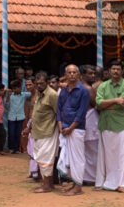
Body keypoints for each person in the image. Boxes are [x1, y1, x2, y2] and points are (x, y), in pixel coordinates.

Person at [95, 60, 124, 192]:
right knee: (106, 155)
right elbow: (98, 103)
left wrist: (106, 105)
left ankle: (122, 183)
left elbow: (122, 103)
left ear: (122, 71)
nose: (115, 71)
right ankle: (105, 182)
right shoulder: (103, 86)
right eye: (113, 69)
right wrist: (115, 100)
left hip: (121, 124)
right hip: (105, 123)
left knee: (122, 155)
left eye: (118, 69)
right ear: (109, 71)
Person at [56, 64, 90, 196]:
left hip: (76, 129)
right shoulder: (63, 91)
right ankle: (74, 184)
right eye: (69, 73)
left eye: (74, 72)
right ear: (65, 75)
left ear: (79, 75)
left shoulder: (83, 91)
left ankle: (78, 187)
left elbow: (81, 113)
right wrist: (60, 125)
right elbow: (59, 109)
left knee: (77, 158)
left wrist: (71, 128)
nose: (71, 75)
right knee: (68, 157)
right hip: (64, 128)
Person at [31, 72, 59, 193]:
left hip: (49, 130)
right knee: (42, 156)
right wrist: (28, 128)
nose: (39, 85)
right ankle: (49, 183)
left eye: (42, 83)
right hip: (38, 130)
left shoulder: (52, 94)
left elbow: (58, 112)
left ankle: (46, 185)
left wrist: (61, 129)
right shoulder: (38, 93)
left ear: (47, 82)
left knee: (45, 157)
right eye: (37, 83)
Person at [80, 65, 100, 185]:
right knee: (93, 150)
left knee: (87, 151)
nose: (93, 76)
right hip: (90, 119)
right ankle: (92, 177)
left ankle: (87, 176)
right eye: (90, 73)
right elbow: (96, 105)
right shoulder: (88, 88)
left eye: (94, 74)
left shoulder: (78, 87)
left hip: (85, 120)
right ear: (83, 75)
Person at [6, 79, 29, 153]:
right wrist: (8, 97)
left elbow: (33, 93)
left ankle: (16, 149)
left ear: (20, 87)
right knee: (11, 133)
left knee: (18, 134)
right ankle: (11, 148)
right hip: (11, 117)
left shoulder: (24, 95)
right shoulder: (10, 96)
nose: (16, 90)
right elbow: (6, 106)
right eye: (14, 88)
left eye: (17, 88)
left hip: (20, 117)